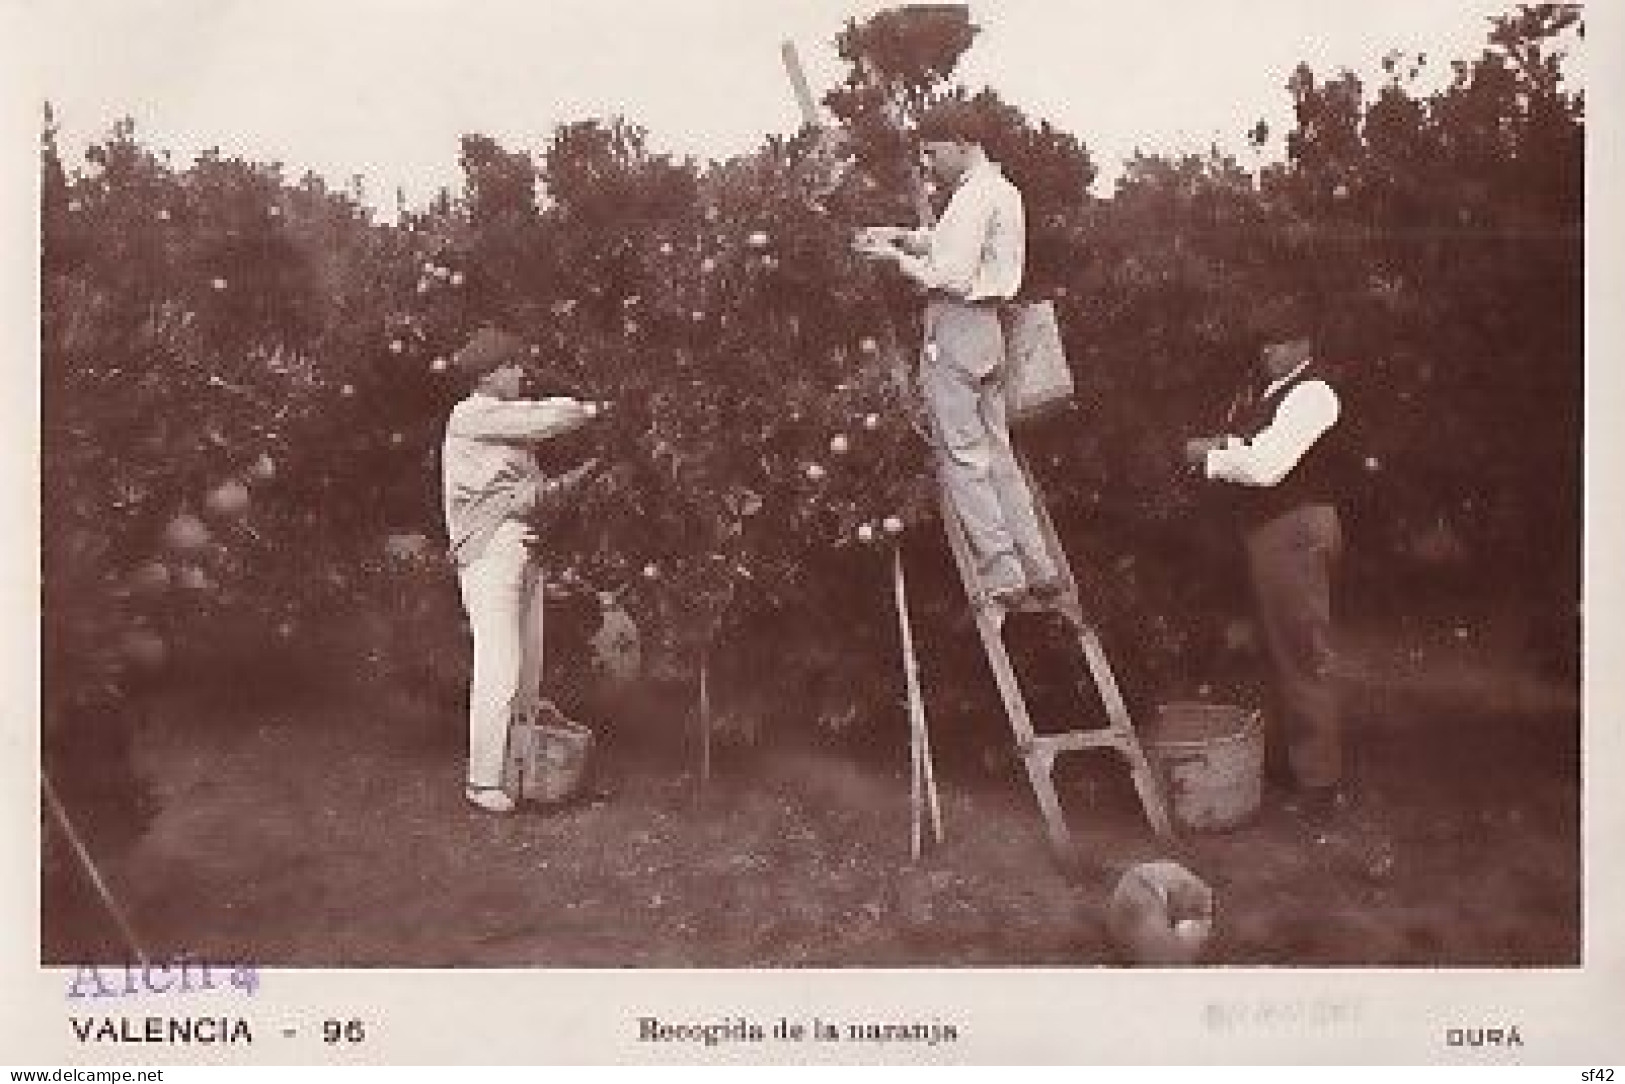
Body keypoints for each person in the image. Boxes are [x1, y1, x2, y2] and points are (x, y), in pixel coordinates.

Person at [854, 101, 1061, 609]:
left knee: (963, 454)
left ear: (962, 143)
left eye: (933, 151)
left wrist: (896, 259)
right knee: (997, 451)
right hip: (989, 327)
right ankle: (1038, 562)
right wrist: (908, 236)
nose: (929, 163)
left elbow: (950, 273)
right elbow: (959, 249)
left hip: (956, 322)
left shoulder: (971, 197)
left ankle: (1001, 570)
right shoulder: (1001, 191)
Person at [1185, 328, 1348, 820]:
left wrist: (1208, 457)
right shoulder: (1276, 393)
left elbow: (1266, 467)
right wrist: (1228, 444)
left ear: (1307, 344)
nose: (1267, 352)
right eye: (1264, 343)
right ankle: (1292, 767)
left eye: (1281, 342)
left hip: (1294, 529)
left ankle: (1320, 784)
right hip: (1273, 531)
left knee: (1301, 651)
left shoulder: (1314, 393)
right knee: (1280, 648)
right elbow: (1256, 446)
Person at [442, 326, 602, 814]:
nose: (519, 374)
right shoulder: (473, 415)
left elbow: (521, 494)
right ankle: (482, 780)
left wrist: (575, 479)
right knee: (500, 662)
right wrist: (594, 409)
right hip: (490, 552)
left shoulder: (499, 427)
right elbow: (545, 418)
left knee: (527, 663)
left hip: (518, 545)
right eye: (512, 366)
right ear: (489, 375)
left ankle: (520, 767)